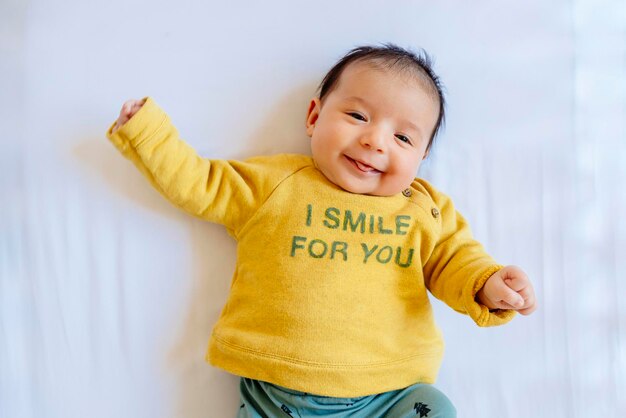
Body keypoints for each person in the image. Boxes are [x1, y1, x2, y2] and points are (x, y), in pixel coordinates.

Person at [107, 44, 536, 417]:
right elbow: (201, 184)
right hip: (278, 389)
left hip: (388, 391)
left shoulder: (423, 209)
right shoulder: (276, 182)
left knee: (437, 408)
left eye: (403, 138)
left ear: (422, 158)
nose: (375, 141)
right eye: (357, 115)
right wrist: (150, 135)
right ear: (314, 116)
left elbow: (455, 259)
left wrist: (486, 284)